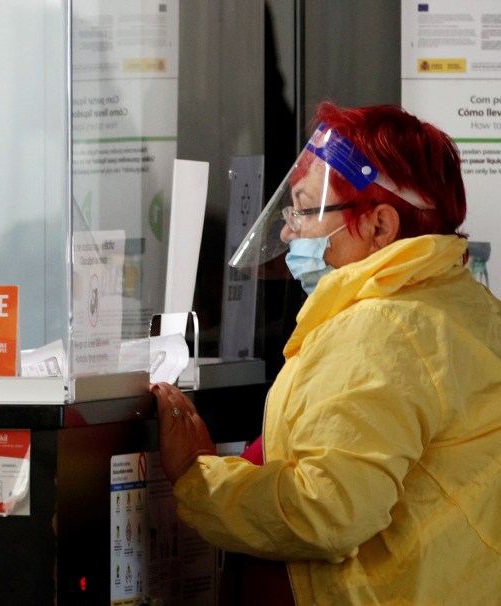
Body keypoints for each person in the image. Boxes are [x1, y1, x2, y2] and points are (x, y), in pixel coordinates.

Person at [152, 101, 501, 605]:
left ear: (380, 227)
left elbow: (327, 510)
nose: (288, 231)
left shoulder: (381, 327)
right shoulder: (464, 309)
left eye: (305, 210)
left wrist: (196, 475)